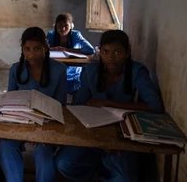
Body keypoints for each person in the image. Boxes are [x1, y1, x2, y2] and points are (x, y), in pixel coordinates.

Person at [54, 30, 164, 182]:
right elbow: (79, 105)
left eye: (117, 52)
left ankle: (107, 170)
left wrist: (107, 103)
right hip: (93, 132)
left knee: (125, 178)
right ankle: (94, 171)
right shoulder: (90, 71)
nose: (110, 58)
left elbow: (155, 106)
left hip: (122, 136)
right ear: (100, 51)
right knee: (63, 163)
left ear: (127, 52)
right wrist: (96, 140)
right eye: (105, 51)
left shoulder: (136, 71)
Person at [0, 27, 67, 182]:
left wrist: (42, 132)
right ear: (22, 49)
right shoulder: (16, 69)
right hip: (20, 122)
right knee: (6, 146)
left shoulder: (59, 70)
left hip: (47, 124)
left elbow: (61, 107)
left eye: (37, 48)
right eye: (26, 49)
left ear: (45, 47)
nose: (31, 54)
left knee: (43, 153)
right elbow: (9, 100)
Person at [46, 13, 95, 93]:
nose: (63, 28)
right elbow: (42, 47)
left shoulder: (76, 35)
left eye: (66, 26)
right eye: (60, 26)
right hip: (55, 72)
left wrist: (67, 50)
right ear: (55, 26)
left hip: (73, 73)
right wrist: (52, 48)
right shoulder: (51, 35)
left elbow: (90, 50)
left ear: (71, 26)